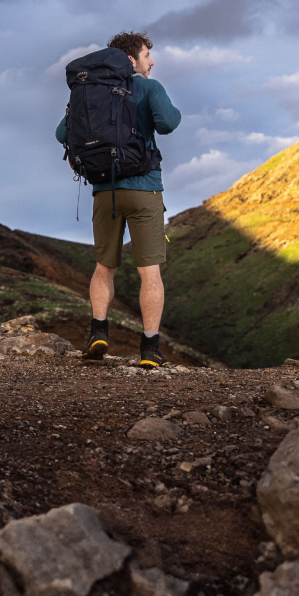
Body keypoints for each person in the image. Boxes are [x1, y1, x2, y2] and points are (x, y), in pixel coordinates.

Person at [54, 31, 182, 366]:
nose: (151, 61)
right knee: (149, 271)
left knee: (104, 266)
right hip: (144, 189)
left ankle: (98, 331)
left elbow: (60, 134)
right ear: (131, 59)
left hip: (104, 190)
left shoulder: (91, 93)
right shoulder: (148, 87)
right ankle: (150, 349)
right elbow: (168, 123)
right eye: (146, 55)